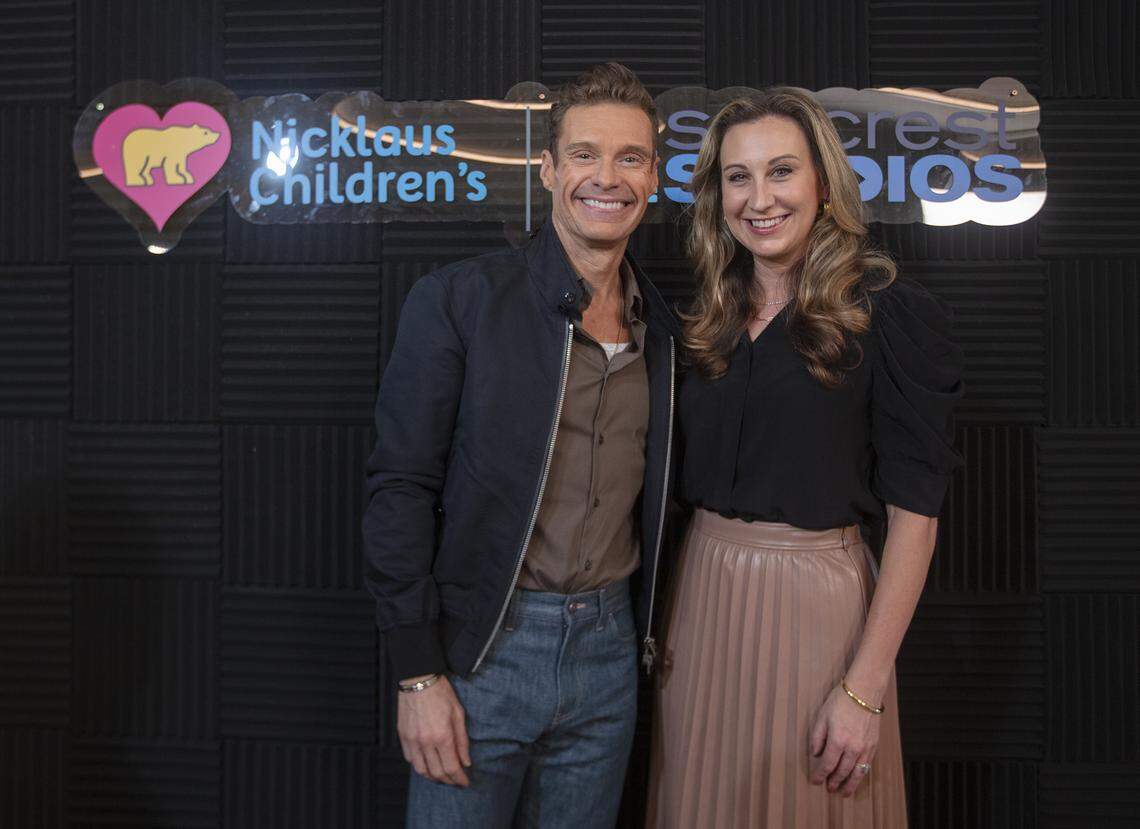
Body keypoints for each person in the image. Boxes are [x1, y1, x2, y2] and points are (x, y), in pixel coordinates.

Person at [362, 62, 681, 828]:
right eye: (584, 154)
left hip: (609, 662)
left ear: (654, 177)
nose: (607, 177)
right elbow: (399, 487)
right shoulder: (459, 300)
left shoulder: (667, 330)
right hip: (481, 655)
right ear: (547, 170)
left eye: (630, 157)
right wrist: (417, 674)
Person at [647, 89, 963, 827]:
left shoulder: (886, 312)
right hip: (700, 605)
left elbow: (916, 518)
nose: (760, 198)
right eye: (738, 177)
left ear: (824, 185)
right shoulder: (705, 320)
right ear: (716, 193)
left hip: (819, 611)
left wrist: (863, 686)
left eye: (781, 171)